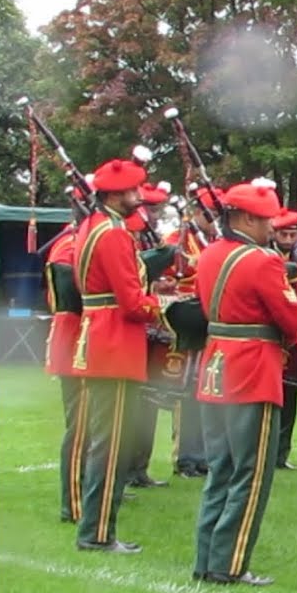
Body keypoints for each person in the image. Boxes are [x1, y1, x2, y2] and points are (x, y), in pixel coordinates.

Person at [192, 179, 297, 585]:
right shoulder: (263, 261)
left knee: (220, 468)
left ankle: (207, 558)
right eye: (263, 220)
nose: (270, 228)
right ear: (241, 218)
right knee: (250, 472)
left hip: (216, 366)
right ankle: (229, 563)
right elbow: (293, 321)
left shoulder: (209, 254)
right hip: (252, 370)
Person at [70, 158, 163, 554]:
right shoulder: (113, 234)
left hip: (98, 336)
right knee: (111, 445)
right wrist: (161, 305)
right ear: (113, 194)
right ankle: (97, 533)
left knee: (103, 440)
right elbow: (131, 302)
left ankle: (95, 528)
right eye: (132, 191)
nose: (138, 197)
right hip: (114, 342)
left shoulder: (92, 227)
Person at [163, 185, 219, 479]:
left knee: (204, 390)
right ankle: (185, 456)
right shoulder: (177, 240)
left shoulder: (213, 242)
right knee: (186, 393)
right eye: (210, 214)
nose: (214, 220)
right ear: (197, 213)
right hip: (185, 324)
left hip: (207, 323)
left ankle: (203, 455)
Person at [45, 184, 89, 523]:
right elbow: (72, 297)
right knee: (80, 426)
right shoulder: (69, 246)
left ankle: (90, 486)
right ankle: (72, 502)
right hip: (76, 339)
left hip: (88, 341)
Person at [126, 181, 174, 489]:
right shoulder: (128, 240)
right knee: (131, 405)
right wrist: (154, 290)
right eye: (150, 208)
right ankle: (125, 469)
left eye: (157, 209)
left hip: (151, 328)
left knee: (150, 401)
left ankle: (140, 467)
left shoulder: (147, 240)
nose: (154, 215)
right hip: (135, 328)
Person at [272, 205, 297, 469]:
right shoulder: (267, 256)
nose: (288, 239)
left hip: (296, 335)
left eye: (293, 234)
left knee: (291, 396)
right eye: (283, 234)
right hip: (274, 332)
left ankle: (281, 454)